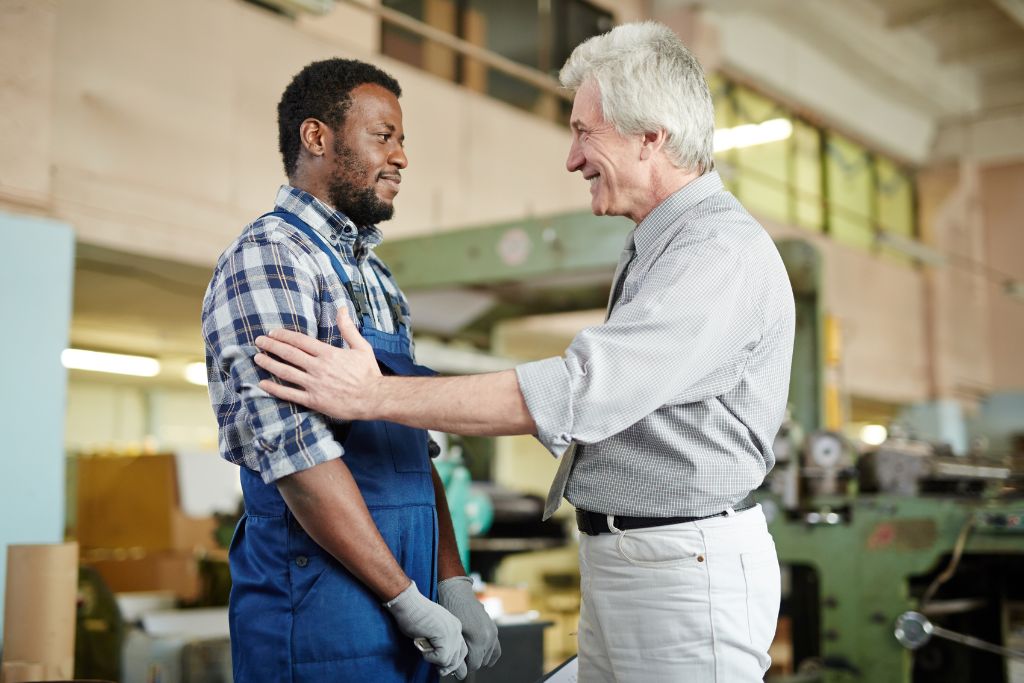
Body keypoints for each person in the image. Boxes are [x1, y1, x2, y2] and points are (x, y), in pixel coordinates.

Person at [253, 23, 794, 683]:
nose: (571, 159)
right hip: (634, 561)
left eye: (584, 133)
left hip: (682, 569)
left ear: (651, 135)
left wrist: (373, 395)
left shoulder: (715, 253)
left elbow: (582, 389)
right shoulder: (661, 245)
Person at [201, 58, 500, 683]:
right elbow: (295, 457)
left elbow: (413, 452)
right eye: (383, 136)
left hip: (403, 600)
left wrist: (450, 578)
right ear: (318, 138)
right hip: (317, 611)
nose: (401, 157)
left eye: (402, 140)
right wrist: (405, 596)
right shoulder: (269, 260)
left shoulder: (376, 279)